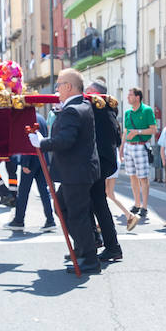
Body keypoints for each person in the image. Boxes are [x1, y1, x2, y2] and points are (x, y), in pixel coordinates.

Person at [30, 69, 102, 273]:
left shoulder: (72, 110)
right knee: (63, 208)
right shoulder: (82, 105)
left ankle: (89, 257)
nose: (57, 89)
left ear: (68, 87)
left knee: (75, 214)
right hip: (78, 171)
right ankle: (82, 246)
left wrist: (42, 142)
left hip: (76, 173)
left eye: (59, 85)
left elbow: (66, 140)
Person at [86, 79, 129, 260]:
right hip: (102, 162)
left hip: (98, 163)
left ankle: (107, 244)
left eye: (87, 92)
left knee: (97, 203)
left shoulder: (99, 110)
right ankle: (99, 241)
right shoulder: (106, 111)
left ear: (95, 93)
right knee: (94, 202)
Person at [5, 107, 56, 233]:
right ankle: (50, 219)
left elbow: (28, 143)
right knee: (44, 190)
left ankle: (19, 220)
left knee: (23, 192)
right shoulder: (41, 118)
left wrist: (25, 163)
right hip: (41, 158)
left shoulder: (28, 120)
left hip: (31, 159)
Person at [121, 87, 156, 220]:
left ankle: (145, 207)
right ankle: (137, 203)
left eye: (130, 95)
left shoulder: (147, 110)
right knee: (132, 177)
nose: (128, 97)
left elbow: (153, 129)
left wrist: (138, 132)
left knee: (143, 178)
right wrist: (121, 147)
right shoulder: (128, 112)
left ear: (137, 97)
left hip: (141, 146)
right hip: (129, 147)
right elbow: (125, 131)